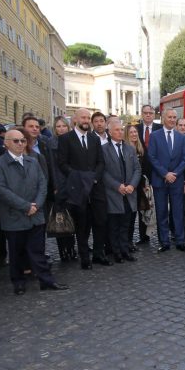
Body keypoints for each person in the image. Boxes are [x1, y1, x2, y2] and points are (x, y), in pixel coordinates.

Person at [0, 129, 68, 294]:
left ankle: (46, 280)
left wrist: (37, 205)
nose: (20, 144)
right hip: (14, 216)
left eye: (23, 141)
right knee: (16, 252)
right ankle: (18, 282)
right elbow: (0, 190)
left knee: (38, 251)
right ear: (6, 143)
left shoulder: (32, 161)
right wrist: (26, 206)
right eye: (16, 141)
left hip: (36, 215)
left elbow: (42, 184)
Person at [57, 108, 108, 269]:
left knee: (100, 221)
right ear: (75, 120)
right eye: (83, 118)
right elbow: (62, 163)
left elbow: (101, 162)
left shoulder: (94, 139)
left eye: (88, 118)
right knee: (82, 225)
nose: (86, 120)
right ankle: (85, 258)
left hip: (95, 187)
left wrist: (93, 177)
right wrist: (79, 177)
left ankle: (99, 254)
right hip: (77, 189)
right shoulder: (66, 139)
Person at [148, 108, 185, 251]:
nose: (172, 120)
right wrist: (165, 174)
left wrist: (175, 174)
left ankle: (180, 240)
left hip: (176, 181)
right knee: (161, 211)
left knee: (177, 211)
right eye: (170, 117)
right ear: (164, 118)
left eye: (174, 117)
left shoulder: (181, 137)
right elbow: (152, 157)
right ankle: (164, 241)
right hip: (160, 180)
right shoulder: (154, 136)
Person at [101, 120, 141, 263]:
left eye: (121, 129)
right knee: (114, 226)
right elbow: (103, 172)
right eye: (116, 130)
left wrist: (132, 185)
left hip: (129, 193)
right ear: (110, 132)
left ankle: (125, 251)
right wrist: (117, 186)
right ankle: (116, 252)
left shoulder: (130, 148)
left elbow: (137, 169)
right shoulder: (104, 149)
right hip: (114, 193)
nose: (119, 132)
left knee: (126, 224)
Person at [48, 117, 76, 262]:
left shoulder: (72, 141)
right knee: (61, 220)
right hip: (59, 186)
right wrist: (55, 187)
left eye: (63, 126)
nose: (61, 129)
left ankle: (72, 249)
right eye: (58, 126)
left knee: (72, 219)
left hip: (72, 184)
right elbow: (52, 168)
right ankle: (63, 252)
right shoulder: (51, 143)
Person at [126, 124, 149, 251]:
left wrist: (146, 183)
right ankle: (127, 242)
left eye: (135, 132)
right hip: (129, 186)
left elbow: (146, 166)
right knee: (129, 215)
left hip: (141, 186)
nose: (134, 134)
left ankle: (133, 240)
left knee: (138, 213)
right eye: (131, 132)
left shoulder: (141, 147)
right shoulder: (125, 147)